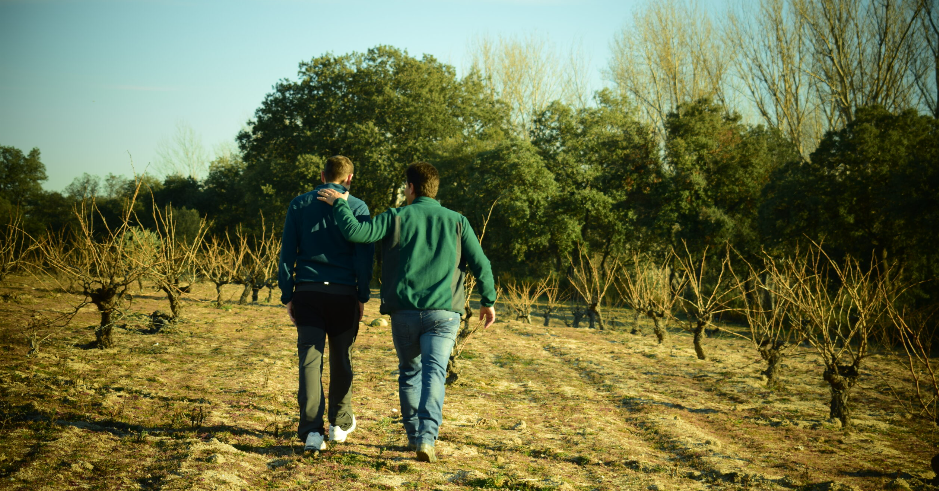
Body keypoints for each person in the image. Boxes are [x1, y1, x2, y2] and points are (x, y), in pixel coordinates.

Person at [317, 161, 497, 463]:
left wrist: (340, 204)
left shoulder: (395, 217)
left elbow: (357, 233)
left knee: (410, 373)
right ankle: (427, 437)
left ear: (411, 188)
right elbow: (482, 264)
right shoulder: (457, 221)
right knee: (435, 375)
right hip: (444, 315)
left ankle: (414, 435)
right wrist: (488, 301)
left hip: (405, 314)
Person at [278, 155, 374, 454]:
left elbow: (287, 252)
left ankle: (310, 431)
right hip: (344, 294)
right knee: (342, 357)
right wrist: (362, 295)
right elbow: (364, 256)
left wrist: (287, 293)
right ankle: (339, 422)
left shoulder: (298, 204)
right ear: (349, 178)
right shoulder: (358, 207)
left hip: (308, 291)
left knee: (310, 360)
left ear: (322, 175)